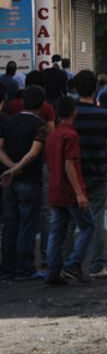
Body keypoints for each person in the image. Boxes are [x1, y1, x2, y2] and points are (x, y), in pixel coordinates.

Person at [41, 97, 94, 285]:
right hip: (69, 190)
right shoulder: (70, 136)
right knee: (88, 226)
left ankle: (52, 272)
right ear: (74, 112)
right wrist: (80, 193)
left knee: (57, 231)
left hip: (55, 189)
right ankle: (74, 263)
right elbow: (70, 166)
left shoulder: (52, 136)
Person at [0, 86, 48, 280]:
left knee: (10, 225)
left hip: (9, 182)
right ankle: (25, 269)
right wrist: (18, 168)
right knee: (27, 225)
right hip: (29, 180)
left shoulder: (9, 123)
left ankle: (7, 268)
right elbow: (34, 153)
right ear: (42, 104)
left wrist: (10, 167)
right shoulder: (40, 126)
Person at [72, 71, 107, 279]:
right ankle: (97, 265)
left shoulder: (69, 116)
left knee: (69, 220)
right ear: (95, 89)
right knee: (97, 219)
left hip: (73, 175)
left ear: (75, 89)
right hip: (98, 171)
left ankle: (68, 263)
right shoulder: (104, 114)